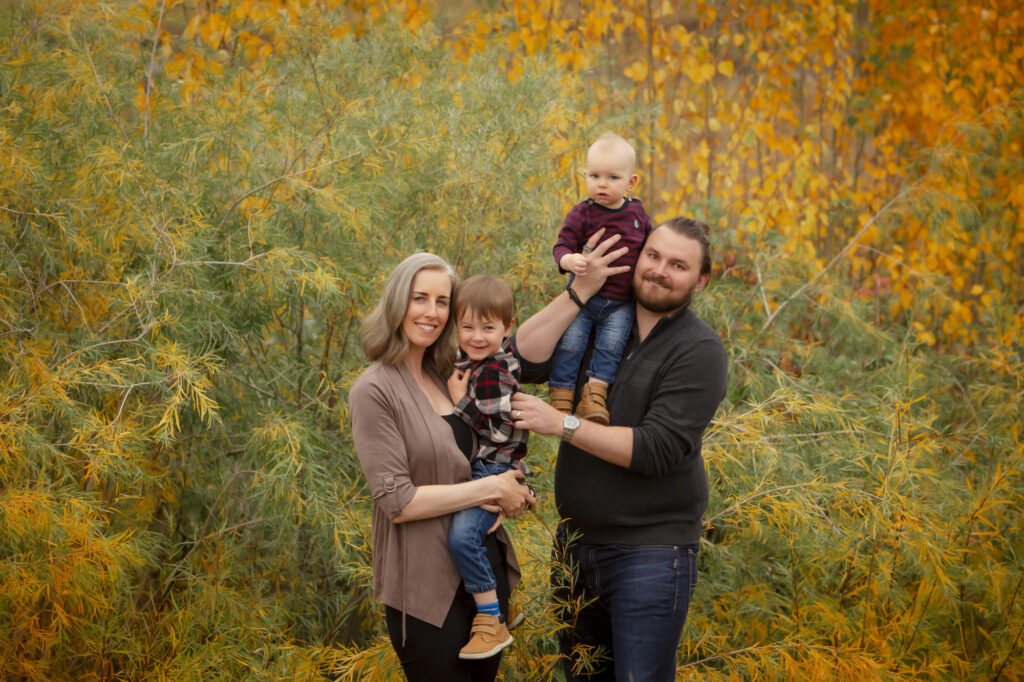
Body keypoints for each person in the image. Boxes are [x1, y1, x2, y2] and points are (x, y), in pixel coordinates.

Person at [510, 217, 728, 682]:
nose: (659, 271)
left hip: (650, 553)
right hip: (574, 549)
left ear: (701, 279)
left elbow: (655, 449)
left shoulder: (700, 350)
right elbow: (521, 359)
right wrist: (579, 292)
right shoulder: (599, 322)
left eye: (678, 265)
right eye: (653, 256)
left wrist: (560, 423)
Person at [348, 253, 535, 681]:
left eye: (442, 301)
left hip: (482, 571)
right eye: (420, 298)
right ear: (398, 303)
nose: (432, 312)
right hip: (425, 587)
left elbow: (485, 452)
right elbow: (398, 502)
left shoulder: (448, 374)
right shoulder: (373, 390)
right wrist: (492, 491)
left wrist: (515, 492)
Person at [444, 275, 529, 660]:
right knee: (468, 534)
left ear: (507, 327)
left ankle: (491, 619)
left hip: (493, 470)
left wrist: (460, 401)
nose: (477, 336)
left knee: (463, 538)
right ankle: (501, 609)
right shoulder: (479, 360)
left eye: (488, 327)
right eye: (467, 327)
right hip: (488, 469)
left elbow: (497, 431)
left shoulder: (493, 371)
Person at [550, 133, 653, 424]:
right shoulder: (582, 213)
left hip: (621, 303)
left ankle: (594, 397)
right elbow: (561, 246)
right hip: (583, 298)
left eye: (612, 177)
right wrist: (569, 260)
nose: (602, 184)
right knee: (570, 343)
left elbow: (651, 244)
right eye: (594, 175)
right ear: (585, 175)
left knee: (610, 347)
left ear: (630, 182)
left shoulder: (637, 213)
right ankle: (561, 396)